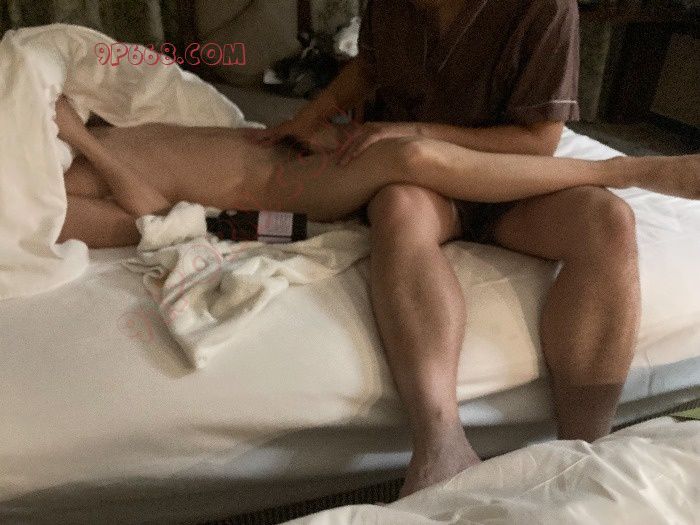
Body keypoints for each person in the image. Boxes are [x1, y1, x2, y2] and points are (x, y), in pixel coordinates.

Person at [55, 92, 699, 500]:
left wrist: (317, 119)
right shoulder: (36, 197)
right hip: (298, 200)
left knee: (599, 219)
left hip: (318, 168)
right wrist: (81, 140)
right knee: (405, 168)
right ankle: (627, 170)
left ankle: (584, 451)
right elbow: (151, 218)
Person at [244, 0, 657, 496]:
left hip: (508, 181)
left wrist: (418, 134)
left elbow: (537, 142)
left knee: (608, 220)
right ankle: (441, 443)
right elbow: (371, 64)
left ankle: (584, 448)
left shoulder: (544, 8)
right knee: (398, 207)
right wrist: (308, 118)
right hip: (422, 184)